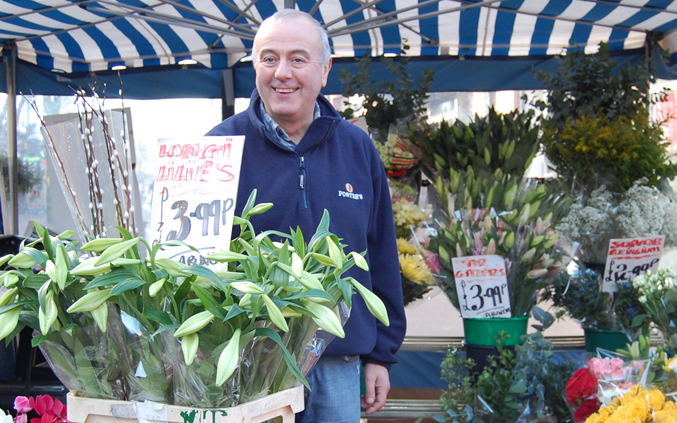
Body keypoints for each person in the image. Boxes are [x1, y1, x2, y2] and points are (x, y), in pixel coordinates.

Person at [206, 9, 406, 422]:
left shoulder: (357, 148)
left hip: (338, 363)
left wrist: (381, 355)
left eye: (298, 59)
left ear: (325, 69)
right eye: (268, 58)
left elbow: (381, 253)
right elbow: (194, 260)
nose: (282, 73)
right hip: (251, 363)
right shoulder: (219, 147)